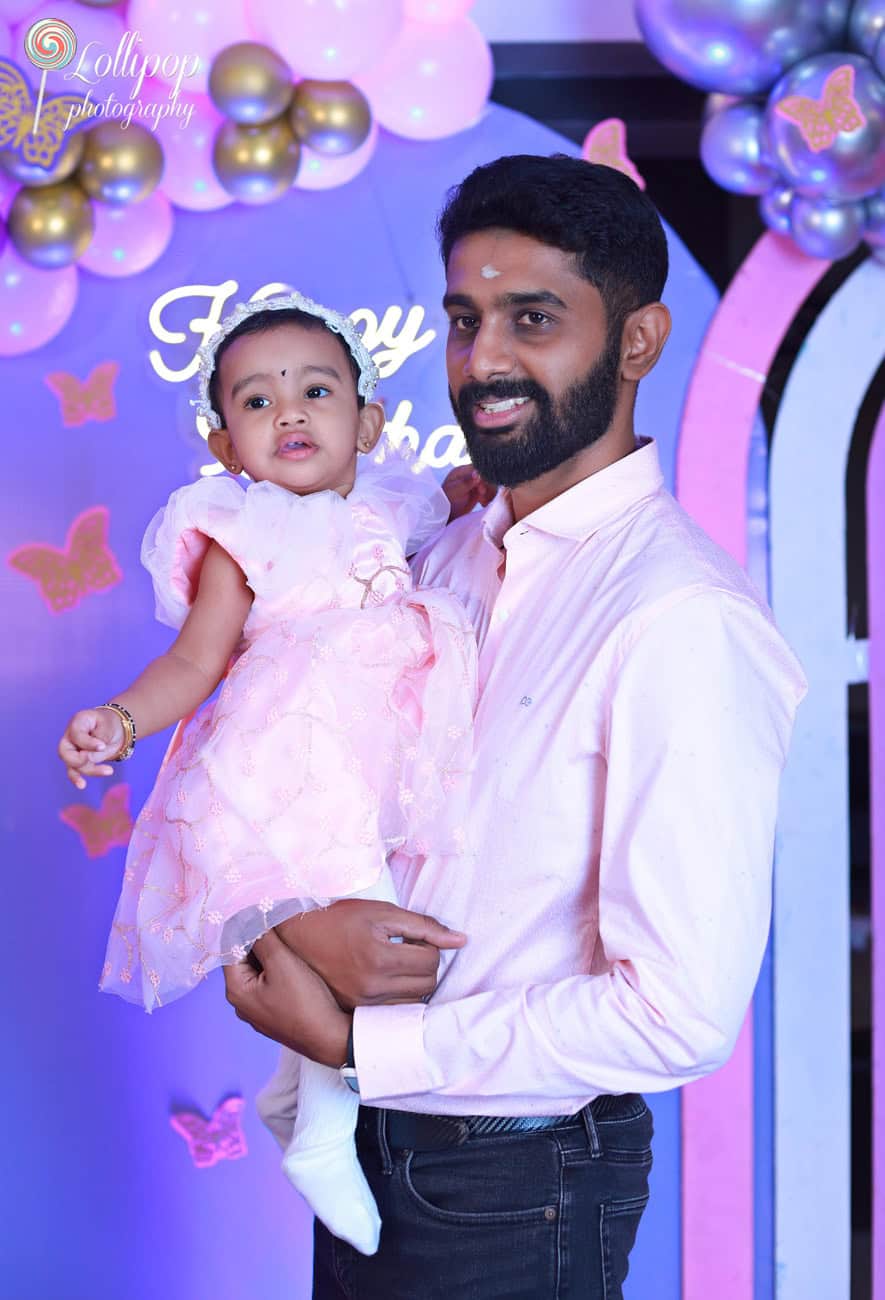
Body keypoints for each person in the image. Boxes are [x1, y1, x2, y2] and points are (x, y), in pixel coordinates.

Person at [223, 155, 808, 1300]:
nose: (482, 361)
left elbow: (677, 1016)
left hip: (518, 1178)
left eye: (531, 319)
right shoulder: (435, 557)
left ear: (638, 342)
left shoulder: (680, 618)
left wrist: (360, 1044)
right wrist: (306, 926)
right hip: (369, 1146)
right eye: (463, 318)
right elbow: (306, 771)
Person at [56, 291, 479, 1258]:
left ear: (366, 423)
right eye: (256, 401)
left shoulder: (397, 504)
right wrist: (119, 720)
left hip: (387, 755)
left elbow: (425, 550)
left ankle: (294, 1098)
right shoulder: (242, 534)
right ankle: (325, 1137)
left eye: (316, 390)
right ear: (223, 445)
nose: (289, 413)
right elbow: (194, 665)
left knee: (388, 920)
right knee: (375, 942)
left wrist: (460, 499)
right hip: (295, 759)